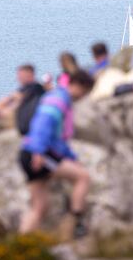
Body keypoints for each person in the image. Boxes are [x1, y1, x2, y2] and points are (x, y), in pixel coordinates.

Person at [19, 70, 95, 238]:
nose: (83, 96)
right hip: (40, 153)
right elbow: (42, 124)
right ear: (78, 86)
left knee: (39, 207)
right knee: (82, 177)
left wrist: (72, 158)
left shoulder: (58, 98)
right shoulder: (59, 100)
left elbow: (59, 140)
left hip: (28, 151)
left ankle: (20, 244)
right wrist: (38, 151)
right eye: (85, 92)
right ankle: (77, 224)